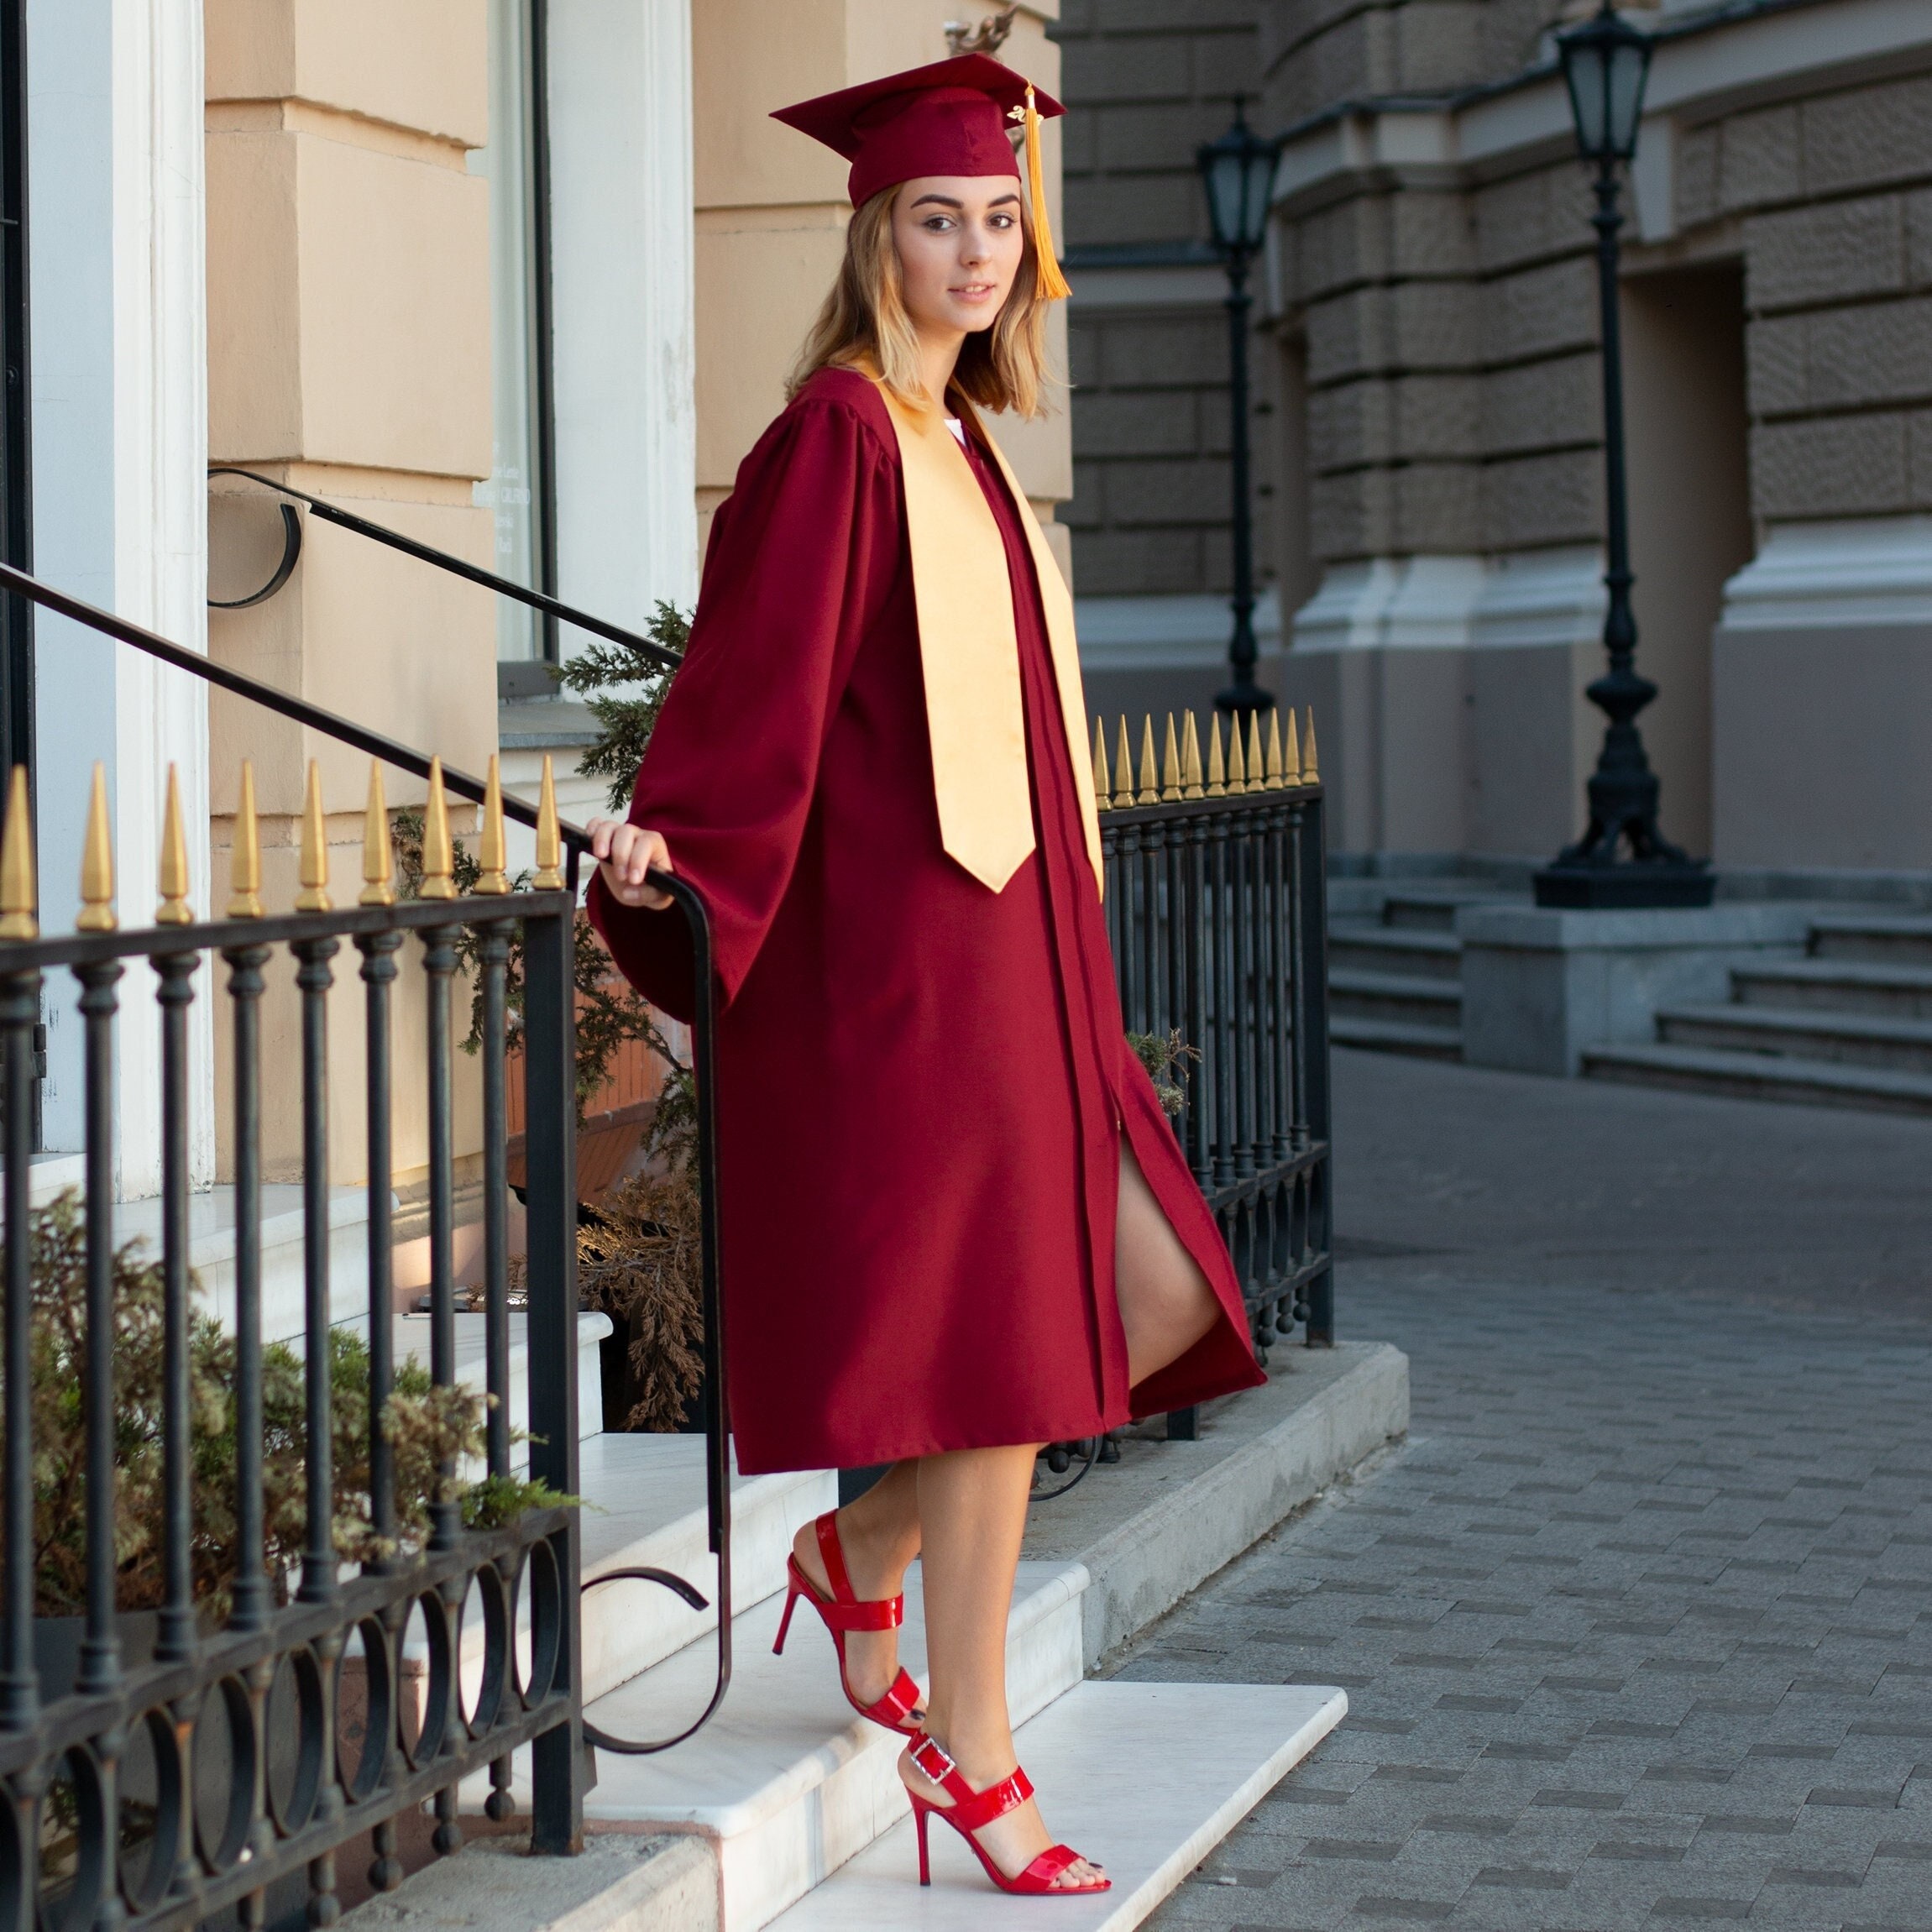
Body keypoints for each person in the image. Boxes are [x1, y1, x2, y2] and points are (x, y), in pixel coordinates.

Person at [584, 53, 1265, 1898]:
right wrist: (682, 854)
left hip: (1026, 956)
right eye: (937, 219)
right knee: (1000, 1342)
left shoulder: (967, 442)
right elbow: (757, 685)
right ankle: (973, 1749)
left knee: (1087, 1308)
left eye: (996, 218)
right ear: (873, 232)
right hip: (913, 974)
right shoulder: (835, 440)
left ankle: (858, 1547)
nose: (974, 250)